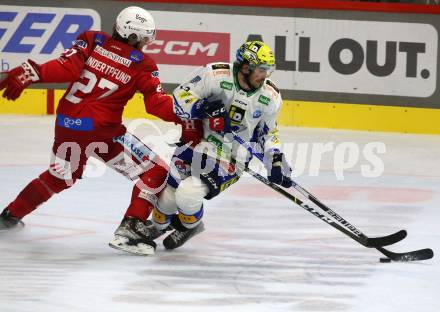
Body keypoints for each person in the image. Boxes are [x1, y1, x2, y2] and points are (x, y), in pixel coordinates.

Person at [0, 6, 201, 256]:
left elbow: (66, 70)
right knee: (155, 171)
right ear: (133, 36)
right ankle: (130, 229)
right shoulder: (143, 65)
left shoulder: (92, 40)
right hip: (102, 133)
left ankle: (9, 216)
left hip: (66, 126)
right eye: (145, 38)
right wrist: (192, 113)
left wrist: (34, 72)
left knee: (61, 176)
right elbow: (156, 105)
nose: (147, 44)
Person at [152, 41, 293, 250]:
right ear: (245, 67)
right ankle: (161, 225)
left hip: (230, 157)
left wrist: (276, 160)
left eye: (269, 70)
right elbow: (180, 96)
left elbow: (269, 133)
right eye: (262, 70)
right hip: (196, 143)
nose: (266, 76)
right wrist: (203, 107)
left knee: (188, 194)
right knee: (166, 202)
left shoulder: (270, 97)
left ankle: (191, 225)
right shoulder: (215, 75)